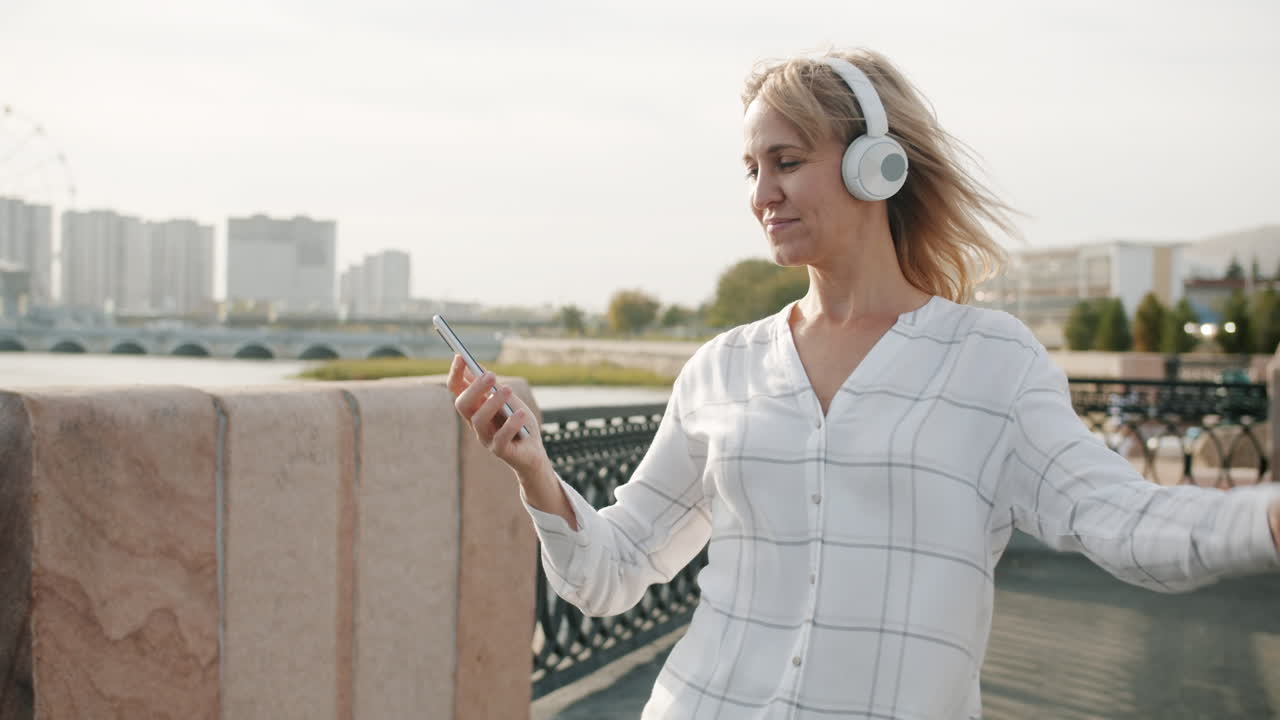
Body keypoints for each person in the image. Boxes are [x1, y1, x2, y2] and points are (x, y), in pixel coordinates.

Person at [446, 48, 1280, 720]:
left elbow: (1128, 524)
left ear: (876, 165)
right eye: (751, 168)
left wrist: (1266, 520)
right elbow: (614, 571)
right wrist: (535, 471)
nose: (762, 195)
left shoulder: (991, 361)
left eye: (786, 162)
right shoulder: (723, 367)